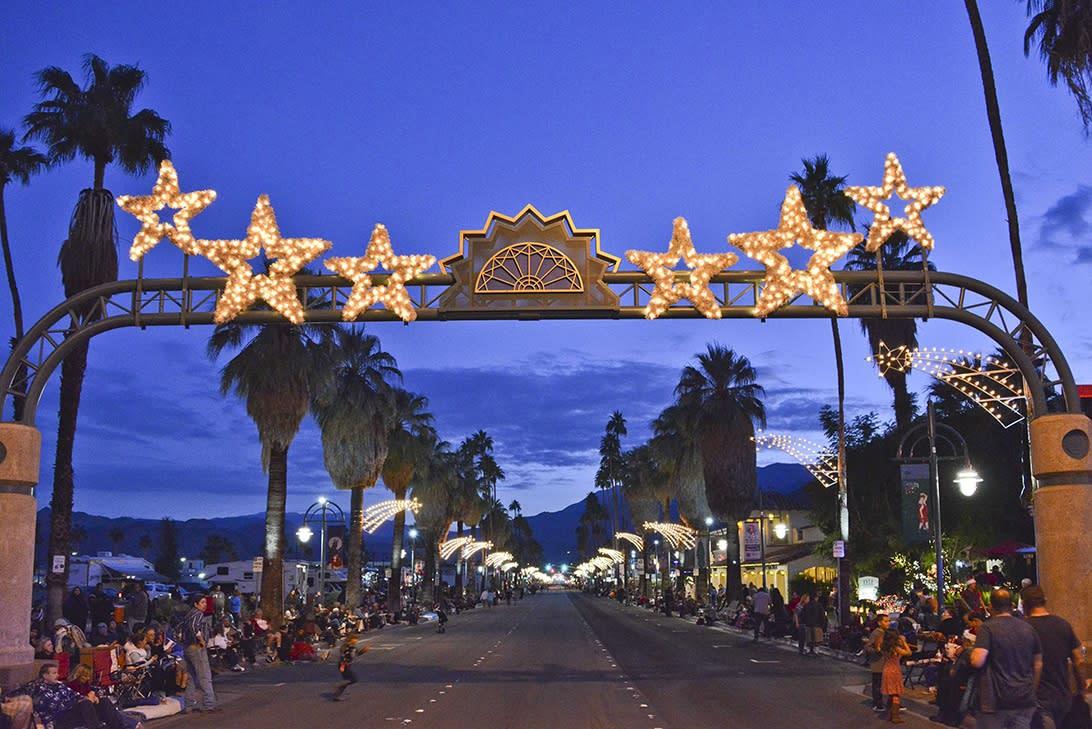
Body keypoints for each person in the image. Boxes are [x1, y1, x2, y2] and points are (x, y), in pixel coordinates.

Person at [969, 589, 1042, 729]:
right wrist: (1033, 688)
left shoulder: (987, 628)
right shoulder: (1027, 628)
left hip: (995, 700)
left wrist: (970, 654)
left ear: (991, 607)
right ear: (1011, 605)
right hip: (1024, 698)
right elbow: (1038, 663)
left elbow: (977, 661)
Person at [1022, 585, 1085, 729]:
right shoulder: (1063, 624)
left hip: (1037, 698)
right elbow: (1078, 660)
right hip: (1062, 696)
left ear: (1025, 605)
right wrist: (1080, 687)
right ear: (1044, 601)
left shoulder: (1024, 628)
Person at [179, 595, 218, 714]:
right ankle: (209, 704)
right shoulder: (198, 614)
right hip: (196, 648)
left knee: (191, 676)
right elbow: (194, 627)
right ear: (196, 604)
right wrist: (201, 640)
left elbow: (180, 629)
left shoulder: (188, 614)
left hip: (187, 647)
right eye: (202, 602)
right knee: (204, 676)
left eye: (205, 602)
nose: (205, 605)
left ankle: (188, 704)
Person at [880, 627, 912, 723]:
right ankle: (895, 716)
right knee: (896, 694)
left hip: (886, 669)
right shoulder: (895, 648)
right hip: (894, 671)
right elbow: (908, 653)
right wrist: (904, 642)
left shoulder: (884, 646)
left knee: (891, 693)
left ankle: (889, 713)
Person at [866, 613, 891, 713]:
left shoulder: (886, 632)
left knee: (887, 683)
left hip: (886, 662)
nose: (888, 623)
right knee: (877, 684)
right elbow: (868, 647)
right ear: (879, 623)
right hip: (878, 663)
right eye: (886, 621)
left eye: (889, 621)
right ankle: (877, 703)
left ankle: (890, 702)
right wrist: (877, 650)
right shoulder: (876, 633)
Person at [332, 635, 369, 701]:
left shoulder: (353, 648)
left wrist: (363, 651)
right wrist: (342, 665)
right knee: (353, 679)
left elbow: (356, 654)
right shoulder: (346, 647)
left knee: (347, 680)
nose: (356, 640)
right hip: (344, 665)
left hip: (347, 665)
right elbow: (343, 656)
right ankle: (338, 685)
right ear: (351, 640)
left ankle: (337, 695)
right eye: (355, 639)